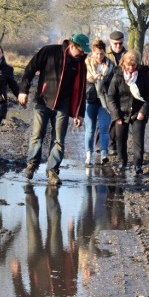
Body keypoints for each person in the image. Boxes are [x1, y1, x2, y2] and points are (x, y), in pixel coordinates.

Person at [18, 34, 89, 185]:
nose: (83, 54)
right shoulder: (49, 52)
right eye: (81, 51)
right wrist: (23, 90)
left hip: (63, 104)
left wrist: (79, 113)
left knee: (58, 140)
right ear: (72, 45)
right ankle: (32, 163)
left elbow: (82, 89)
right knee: (37, 134)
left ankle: (52, 171)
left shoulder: (80, 63)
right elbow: (30, 68)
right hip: (43, 101)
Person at [106, 50, 149, 175]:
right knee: (121, 139)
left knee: (138, 140)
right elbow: (111, 96)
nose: (130, 68)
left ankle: (138, 164)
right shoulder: (118, 76)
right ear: (123, 64)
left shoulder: (143, 75)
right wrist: (116, 115)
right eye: (128, 66)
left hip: (138, 112)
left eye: (133, 66)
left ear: (137, 64)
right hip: (121, 112)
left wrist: (143, 111)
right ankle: (122, 162)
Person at [84, 38, 115, 166]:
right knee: (90, 129)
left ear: (105, 52)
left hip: (105, 100)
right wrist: (94, 78)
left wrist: (104, 81)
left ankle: (103, 154)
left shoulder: (111, 65)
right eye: (97, 53)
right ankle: (88, 155)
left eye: (101, 53)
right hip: (90, 99)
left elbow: (114, 83)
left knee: (103, 128)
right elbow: (87, 78)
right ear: (92, 52)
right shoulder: (86, 63)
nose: (99, 56)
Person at [103, 30, 127, 158]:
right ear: (110, 42)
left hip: (122, 93)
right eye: (115, 43)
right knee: (103, 119)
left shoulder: (127, 55)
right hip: (105, 91)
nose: (118, 46)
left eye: (121, 43)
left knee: (116, 118)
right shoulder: (103, 54)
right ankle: (101, 146)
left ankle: (113, 145)